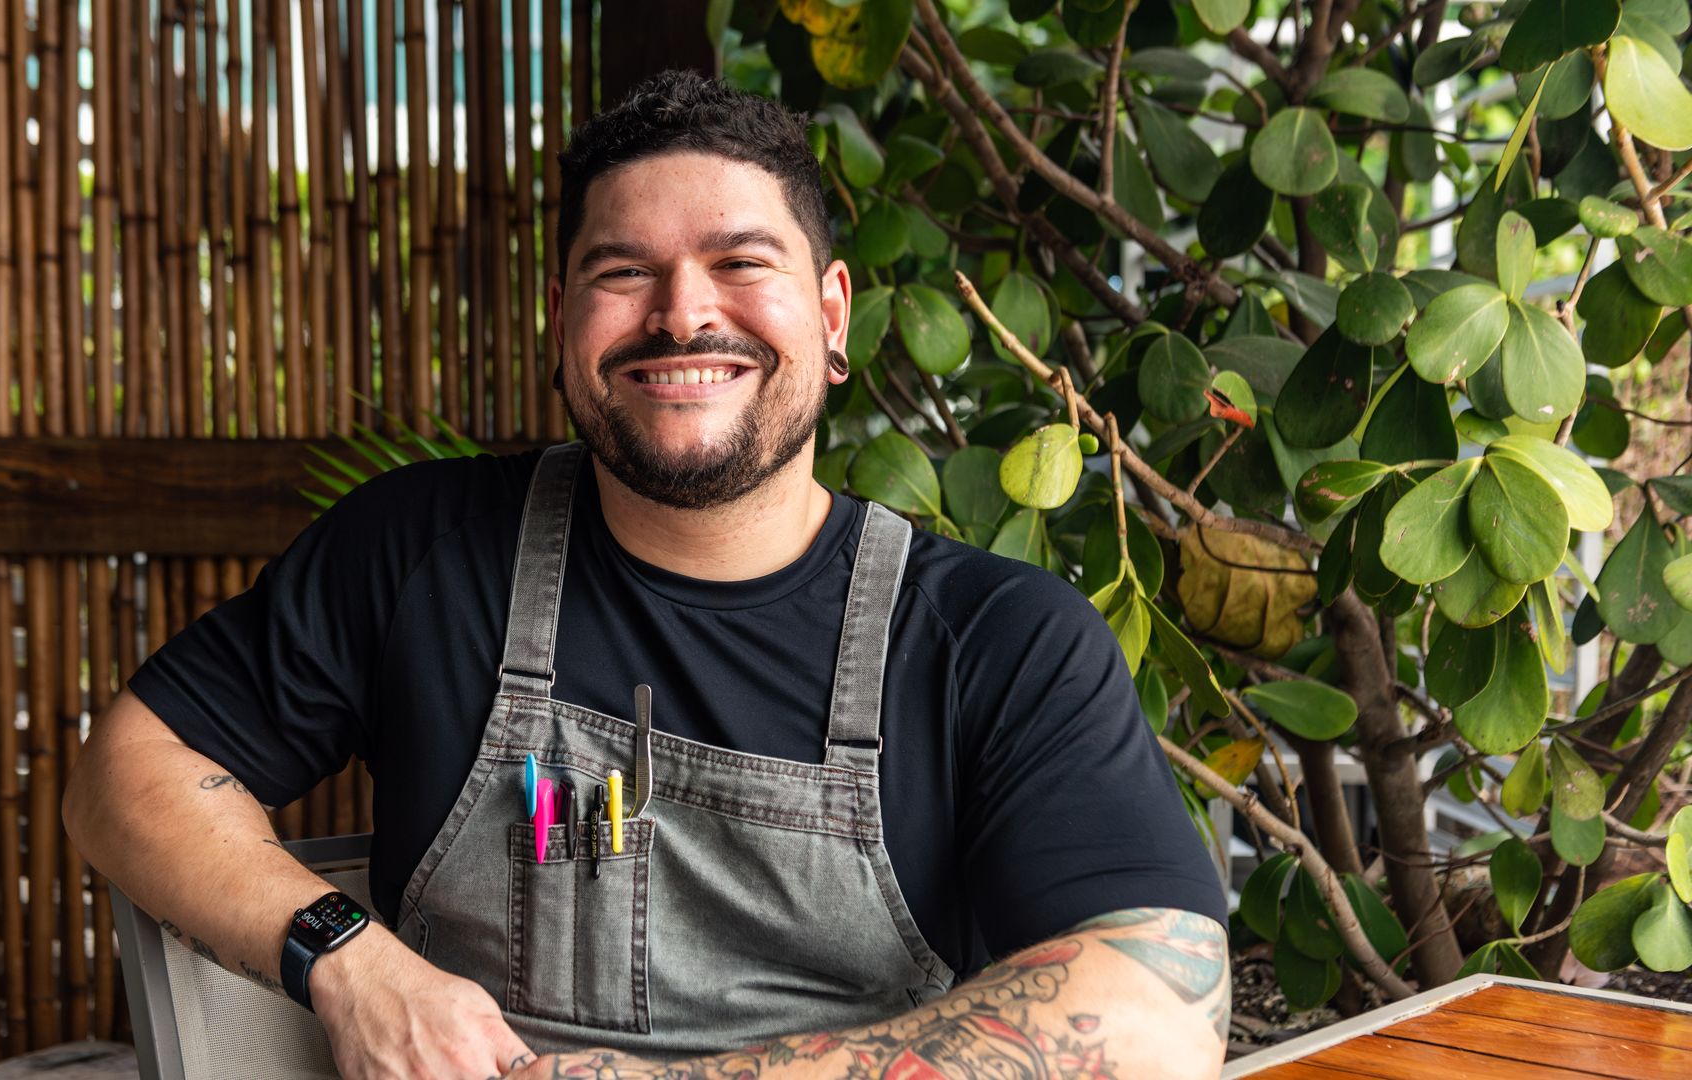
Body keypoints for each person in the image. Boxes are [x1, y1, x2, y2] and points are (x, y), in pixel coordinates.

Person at [62, 70, 1229, 1080]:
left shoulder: (998, 637)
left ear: (833, 318)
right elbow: (129, 773)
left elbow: (1154, 1014)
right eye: (625, 270)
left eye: (740, 261)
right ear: (560, 320)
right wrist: (348, 958)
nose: (682, 314)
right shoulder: (421, 552)